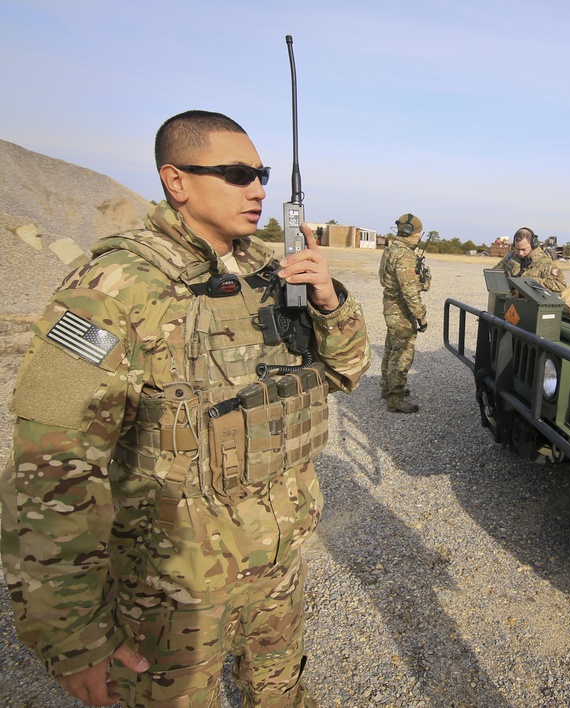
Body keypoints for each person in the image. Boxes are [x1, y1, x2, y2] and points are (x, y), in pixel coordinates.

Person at [0, 110, 371, 707]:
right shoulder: (111, 288)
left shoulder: (270, 273)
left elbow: (346, 371)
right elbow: (51, 466)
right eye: (236, 174)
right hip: (173, 591)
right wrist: (71, 634)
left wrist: (328, 302)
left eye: (262, 173)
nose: (258, 189)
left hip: (275, 569)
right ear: (176, 182)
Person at [379, 212, 428, 413]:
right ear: (413, 233)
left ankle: (387, 389)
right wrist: (421, 316)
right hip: (401, 310)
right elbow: (409, 291)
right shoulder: (405, 255)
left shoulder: (392, 249)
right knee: (402, 353)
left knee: (391, 348)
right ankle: (395, 399)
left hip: (391, 306)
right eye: (419, 233)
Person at [496, 227, 566, 293]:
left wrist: (531, 282)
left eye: (523, 249)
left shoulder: (545, 262)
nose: (520, 253)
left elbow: (560, 285)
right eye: (518, 249)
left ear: (533, 244)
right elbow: (495, 274)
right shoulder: (511, 256)